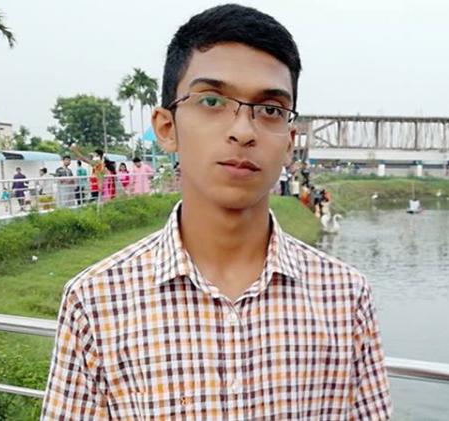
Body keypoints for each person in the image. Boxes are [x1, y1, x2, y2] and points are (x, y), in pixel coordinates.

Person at [42, 5, 391, 420]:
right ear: (167, 127)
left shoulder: (345, 297)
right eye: (211, 100)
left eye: (270, 110)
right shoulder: (96, 302)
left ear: (289, 141)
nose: (243, 131)